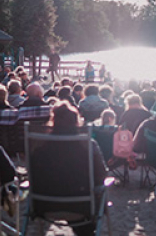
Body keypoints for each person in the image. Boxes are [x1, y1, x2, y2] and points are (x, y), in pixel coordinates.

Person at [32, 101, 107, 236]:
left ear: (53, 121)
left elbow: (33, 173)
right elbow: (101, 174)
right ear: (76, 122)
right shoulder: (88, 144)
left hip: (44, 205)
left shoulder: (39, 143)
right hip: (81, 206)